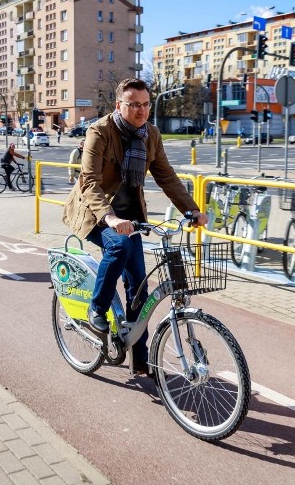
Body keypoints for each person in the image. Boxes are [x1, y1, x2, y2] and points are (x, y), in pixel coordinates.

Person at [62, 78, 207, 375]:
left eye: (145, 105)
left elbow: (167, 177)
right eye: (134, 105)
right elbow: (88, 182)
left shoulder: (151, 135)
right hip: (96, 212)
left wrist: (192, 209)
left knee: (139, 287)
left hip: (133, 219)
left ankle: (140, 359)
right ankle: (97, 308)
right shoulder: (99, 131)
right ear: (119, 105)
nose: (141, 111)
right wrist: (111, 218)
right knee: (120, 246)